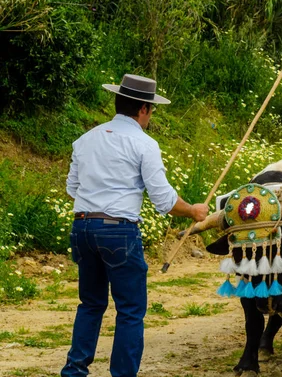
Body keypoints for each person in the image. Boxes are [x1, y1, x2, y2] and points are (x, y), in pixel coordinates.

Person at [61, 74, 208, 377]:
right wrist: (193, 210)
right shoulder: (144, 143)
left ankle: (74, 371)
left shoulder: (86, 139)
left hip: (82, 228)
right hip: (118, 231)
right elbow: (164, 200)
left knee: (90, 303)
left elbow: (72, 188)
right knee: (130, 311)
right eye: (151, 110)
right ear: (143, 109)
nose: (151, 116)